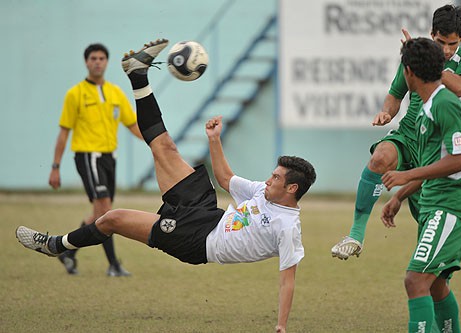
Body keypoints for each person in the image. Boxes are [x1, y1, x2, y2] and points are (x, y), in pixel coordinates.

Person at [17, 39, 316, 333]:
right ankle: (138, 75)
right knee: (165, 147)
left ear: (291, 189)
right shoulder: (263, 192)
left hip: (197, 240)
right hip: (208, 212)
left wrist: (280, 326)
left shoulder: (287, 227)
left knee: (112, 218)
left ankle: (56, 245)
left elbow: (287, 279)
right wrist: (214, 140)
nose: (268, 180)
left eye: (276, 178)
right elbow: (225, 179)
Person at [331, 4, 461, 259]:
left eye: (452, 44)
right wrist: (386, 113)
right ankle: (356, 234)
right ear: (431, 33)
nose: (446, 50)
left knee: (428, 234)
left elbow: (459, 87)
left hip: (439, 146)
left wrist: (427, 61)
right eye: (440, 42)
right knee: (380, 157)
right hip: (411, 134)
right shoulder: (417, 57)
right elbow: (395, 94)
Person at [380, 37, 461, 333]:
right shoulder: (428, 108)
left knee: (415, 280)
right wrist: (400, 196)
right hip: (437, 199)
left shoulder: (444, 104)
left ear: (409, 72)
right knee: (435, 284)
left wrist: (405, 176)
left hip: (451, 203)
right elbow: (432, 167)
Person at [49, 43, 142, 276]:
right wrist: (55, 167)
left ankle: (68, 252)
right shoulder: (75, 94)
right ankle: (114, 265)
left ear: (107, 62)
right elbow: (63, 132)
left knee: (98, 213)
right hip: (88, 157)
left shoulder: (115, 93)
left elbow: (133, 125)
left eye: (102, 58)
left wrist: (159, 143)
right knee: (105, 211)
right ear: (86, 62)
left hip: (110, 158)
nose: (97, 61)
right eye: (93, 58)